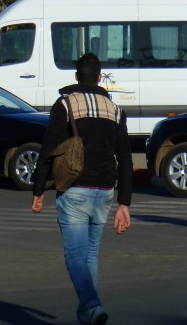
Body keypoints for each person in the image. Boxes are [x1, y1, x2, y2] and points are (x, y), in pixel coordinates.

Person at [31, 52, 132, 325]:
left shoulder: (65, 104)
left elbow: (48, 149)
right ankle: (86, 316)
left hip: (75, 188)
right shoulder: (115, 110)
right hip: (105, 191)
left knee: (74, 254)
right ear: (100, 78)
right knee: (89, 254)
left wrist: (38, 190)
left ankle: (92, 304)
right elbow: (124, 157)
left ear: (76, 77)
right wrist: (125, 204)